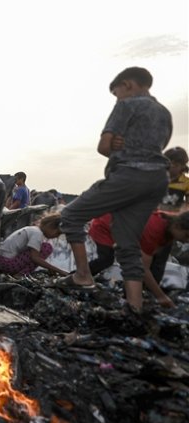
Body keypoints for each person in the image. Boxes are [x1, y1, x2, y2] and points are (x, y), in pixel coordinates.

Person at [57, 67, 172, 313]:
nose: (117, 97)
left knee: (70, 216)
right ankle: (134, 307)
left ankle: (83, 274)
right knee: (128, 242)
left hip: (129, 175)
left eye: (117, 92)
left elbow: (104, 146)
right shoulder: (165, 113)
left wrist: (115, 146)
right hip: (157, 179)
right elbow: (156, 147)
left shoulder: (126, 105)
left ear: (128, 85)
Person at [87, 211, 189, 308]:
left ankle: (138, 295)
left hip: (129, 230)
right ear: (177, 226)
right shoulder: (155, 229)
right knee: (106, 259)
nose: (186, 241)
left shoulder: (170, 227)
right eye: (187, 236)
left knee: (156, 267)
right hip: (105, 225)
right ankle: (79, 277)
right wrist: (161, 296)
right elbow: (143, 269)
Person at [0, 213, 68, 276]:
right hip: (8, 264)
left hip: (1, 262)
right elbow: (35, 258)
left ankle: (19, 273)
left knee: (41, 247)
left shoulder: (33, 229)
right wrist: (59, 270)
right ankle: (21, 275)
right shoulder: (37, 234)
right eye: (58, 233)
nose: (57, 236)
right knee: (46, 248)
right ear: (50, 226)